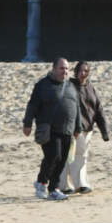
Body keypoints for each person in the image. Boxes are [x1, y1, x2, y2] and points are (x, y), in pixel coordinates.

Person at [21, 57, 78, 201]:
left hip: (67, 129)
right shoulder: (42, 85)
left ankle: (54, 188)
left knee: (62, 160)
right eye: (61, 68)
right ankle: (41, 183)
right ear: (53, 69)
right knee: (54, 156)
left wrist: (78, 127)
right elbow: (32, 105)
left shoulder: (71, 86)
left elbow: (76, 107)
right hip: (48, 129)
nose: (64, 71)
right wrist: (27, 124)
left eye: (66, 68)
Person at [58, 61, 110, 195]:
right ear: (75, 72)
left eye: (86, 71)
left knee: (80, 156)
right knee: (70, 156)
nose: (83, 73)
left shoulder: (91, 88)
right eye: (80, 71)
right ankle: (67, 185)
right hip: (72, 128)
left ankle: (78, 185)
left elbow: (98, 110)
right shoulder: (69, 86)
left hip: (88, 129)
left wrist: (105, 131)